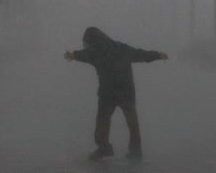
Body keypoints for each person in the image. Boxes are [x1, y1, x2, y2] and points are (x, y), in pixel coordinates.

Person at [64, 26, 168, 160]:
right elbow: (141, 54)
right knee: (132, 123)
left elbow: (83, 54)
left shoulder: (94, 53)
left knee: (102, 122)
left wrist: (73, 55)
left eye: (87, 43)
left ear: (92, 42)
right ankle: (135, 150)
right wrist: (158, 55)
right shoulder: (121, 48)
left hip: (107, 94)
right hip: (126, 92)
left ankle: (104, 148)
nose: (86, 46)